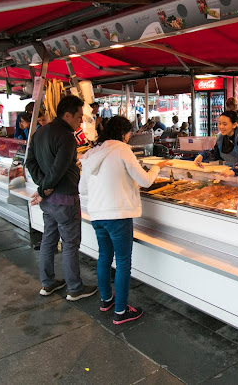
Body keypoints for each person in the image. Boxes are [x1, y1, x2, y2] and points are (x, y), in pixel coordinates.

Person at [80, 116, 171, 324]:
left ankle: (106, 301)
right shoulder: (122, 149)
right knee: (122, 263)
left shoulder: (91, 153)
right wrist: (158, 167)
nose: (130, 136)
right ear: (122, 132)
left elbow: (82, 189)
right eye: (129, 132)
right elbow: (146, 181)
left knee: (104, 257)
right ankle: (121, 311)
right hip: (118, 215)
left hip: (97, 215)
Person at [26, 95, 98, 301]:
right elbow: (60, 168)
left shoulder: (40, 132)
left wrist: (42, 186)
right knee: (69, 244)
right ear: (67, 115)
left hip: (48, 202)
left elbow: (30, 162)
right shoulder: (66, 136)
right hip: (64, 197)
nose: (80, 122)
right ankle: (75, 288)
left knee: (49, 239)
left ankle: (47, 283)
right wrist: (45, 187)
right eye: (78, 118)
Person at [194, 110, 238, 176]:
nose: (221, 127)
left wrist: (235, 170)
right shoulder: (221, 137)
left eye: (225, 124)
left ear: (234, 125)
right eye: (219, 123)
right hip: (228, 172)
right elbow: (216, 153)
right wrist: (203, 155)